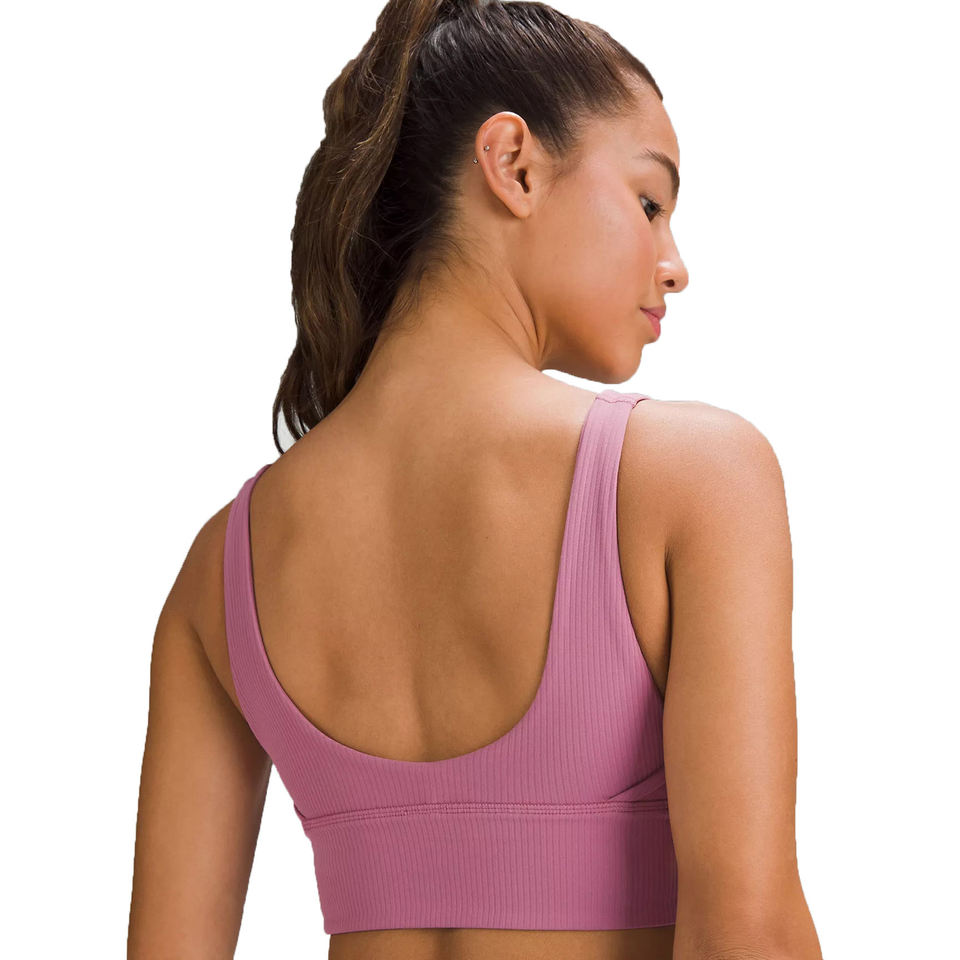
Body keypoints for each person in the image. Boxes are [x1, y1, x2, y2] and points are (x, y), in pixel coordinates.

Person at [128, 1, 822, 958]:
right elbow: (750, 936)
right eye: (650, 203)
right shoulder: (693, 479)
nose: (674, 265)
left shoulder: (224, 567)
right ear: (514, 165)